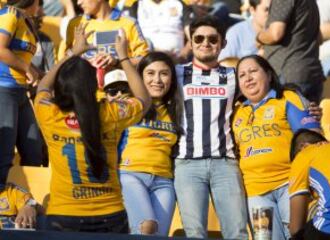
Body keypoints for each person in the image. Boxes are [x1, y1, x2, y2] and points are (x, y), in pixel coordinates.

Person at [34, 24, 151, 232]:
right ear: (93, 86)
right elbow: (143, 99)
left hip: (64, 216)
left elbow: (43, 86)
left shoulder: (49, 113)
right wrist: (123, 57)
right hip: (110, 216)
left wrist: (72, 53)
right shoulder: (110, 113)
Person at [173, 16, 248, 239]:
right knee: (194, 234)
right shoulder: (175, 73)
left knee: (237, 232)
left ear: (223, 43)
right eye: (199, 38)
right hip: (187, 165)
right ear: (191, 41)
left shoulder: (235, 76)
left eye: (212, 39)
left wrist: (305, 107)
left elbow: (269, 91)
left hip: (225, 163)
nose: (205, 43)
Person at [232, 55, 321, 240]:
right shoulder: (236, 111)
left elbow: (314, 140)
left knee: (297, 236)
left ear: (269, 75)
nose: (247, 78)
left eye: (253, 71)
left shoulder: (288, 98)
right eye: (242, 75)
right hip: (255, 192)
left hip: (290, 186)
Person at [118, 52, 182, 236]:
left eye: (164, 73)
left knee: (159, 235)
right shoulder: (129, 104)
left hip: (164, 181)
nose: (157, 80)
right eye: (150, 73)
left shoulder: (177, 108)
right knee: (147, 226)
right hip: (130, 175)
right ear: (140, 77)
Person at [0, 0, 43, 189]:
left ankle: (26, 201)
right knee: (4, 154)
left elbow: (22, 57)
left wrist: (38, 74)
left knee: (34, 151)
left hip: (20, 92)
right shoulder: (10, 13)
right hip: (3, 89)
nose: (41, 6)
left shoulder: (26, 20)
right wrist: (27, 68)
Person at [256, 0, 325, 103]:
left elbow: (276, 34)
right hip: (311, 73)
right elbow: (319, 38)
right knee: (309, 119)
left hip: (288, 75)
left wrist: (259, 37)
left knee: (285, 118)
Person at [66, 0, 149, 67]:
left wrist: (117, 62)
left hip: (120, 85)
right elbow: (64, 61)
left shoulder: (129, 23)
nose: (78, 2)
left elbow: (144, 60)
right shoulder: (75, 24)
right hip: (85, 85)